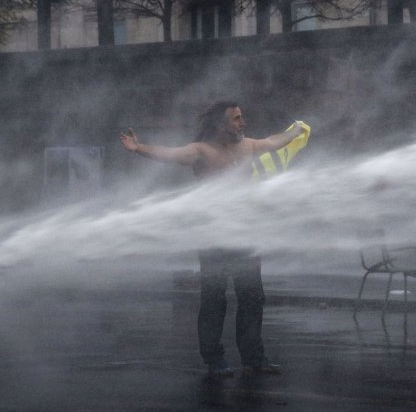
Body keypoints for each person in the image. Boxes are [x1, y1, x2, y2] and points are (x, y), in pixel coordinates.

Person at [120, 101, 309, 378]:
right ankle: (214, 359)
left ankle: (254, 357)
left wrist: (293, 133)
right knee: (214, 299)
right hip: (213, 236)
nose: (243, 123)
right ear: (221, 125)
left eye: (241, 118)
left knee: (252, 297)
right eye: (236, 119)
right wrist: (139, 149)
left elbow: (272, 141)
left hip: (244, 233)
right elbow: (171, 154)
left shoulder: (248, 146)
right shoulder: (201, 151)